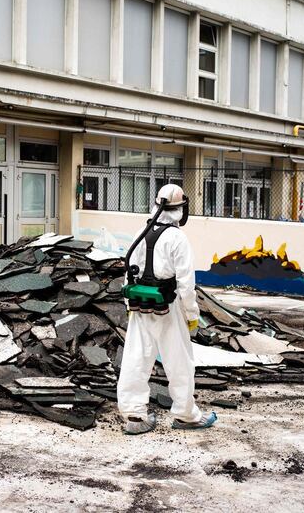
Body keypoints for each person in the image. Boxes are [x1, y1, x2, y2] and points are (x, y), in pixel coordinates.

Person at [117, 184, 217, 435]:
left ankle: (134, 416)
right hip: (168, 306)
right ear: (180, 209)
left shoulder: (142, 231)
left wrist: (130, 303)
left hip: (140, 304)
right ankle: (186, 415)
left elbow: (129, 269)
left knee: (136, 358)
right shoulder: (177, 238)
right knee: (179, 361)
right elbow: (186, 283)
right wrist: (192, 315)